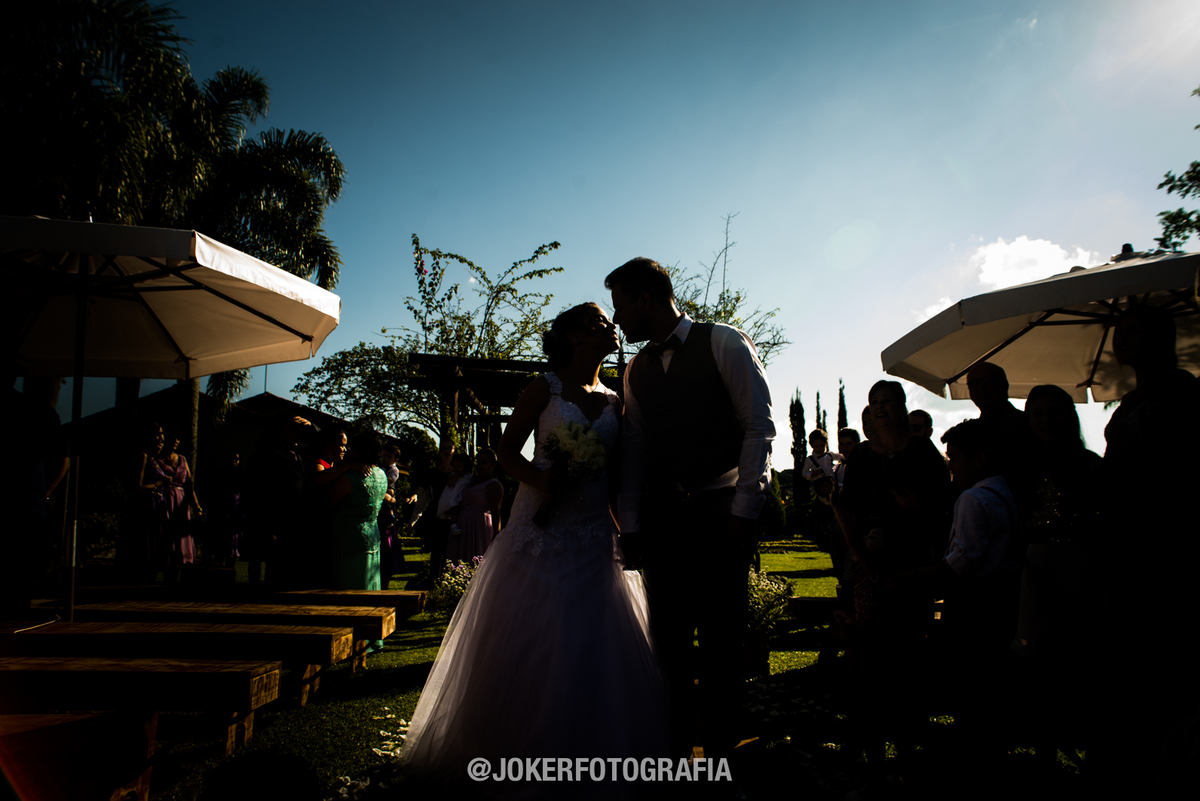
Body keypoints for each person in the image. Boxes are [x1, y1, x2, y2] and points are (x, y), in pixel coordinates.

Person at [399, 303, 669, 795]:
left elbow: (614, 479)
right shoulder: (544, 387)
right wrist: (541, 477)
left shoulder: (615, 401)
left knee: (594, 643)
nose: (609, 328)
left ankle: (594, 752)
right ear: (570, 334)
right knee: (538, 639)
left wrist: (626, 531)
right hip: (538, 535)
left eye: (609, 323)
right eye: (596, 322)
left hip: (593, 538)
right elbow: (505, 453)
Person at [608, 257, 774, 762]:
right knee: (669, 648)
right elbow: (634, 448)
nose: (618, 321)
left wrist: (743, 513)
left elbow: (758, 428)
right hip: (662, 525)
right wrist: (631, 526)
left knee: (723, 645)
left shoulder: (723, 341)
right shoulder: (635, 371)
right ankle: (676, 757)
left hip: (722, 513)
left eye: (621, 308)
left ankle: (722, 761)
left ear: (645, 300)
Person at [327, 432, 390, 593]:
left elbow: (327, 504)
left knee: (350, 588)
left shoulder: (350, 478)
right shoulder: (382, 474)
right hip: (373, 536)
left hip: (350, 539)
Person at [444, 447, 503, 563]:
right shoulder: (470, 480)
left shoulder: (494, 485)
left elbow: (496, 512)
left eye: (484, 462)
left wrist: (497, 535)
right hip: (463, 524)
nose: (480, 465)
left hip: (479, 526)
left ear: (493, 465)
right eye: (478, 462)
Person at [158, 428, 201, 581]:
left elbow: (189, 486)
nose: (175, 442)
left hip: (181, 503)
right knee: (168, 538)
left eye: (177, 439)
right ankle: (168, 573)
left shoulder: (182, 459)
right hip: (166, 501)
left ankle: (182, 576)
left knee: (182, 539)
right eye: (172, 438)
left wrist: (196, 507)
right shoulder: (157, 460)